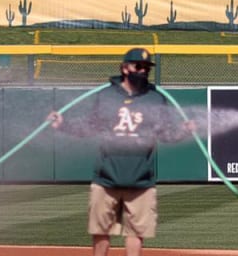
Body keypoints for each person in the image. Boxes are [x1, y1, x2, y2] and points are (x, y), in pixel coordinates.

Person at [47, 47, 193, 256]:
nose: (143, 71)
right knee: (100, 231)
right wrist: (63, 124)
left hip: (141, 179)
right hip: (106, 178)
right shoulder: (106, 95)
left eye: (147, 67)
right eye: (138, 66)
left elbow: (165, 133)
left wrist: (183, 131)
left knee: (136, 233)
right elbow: (89, 126)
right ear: (125, 68)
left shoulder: (156, 98)